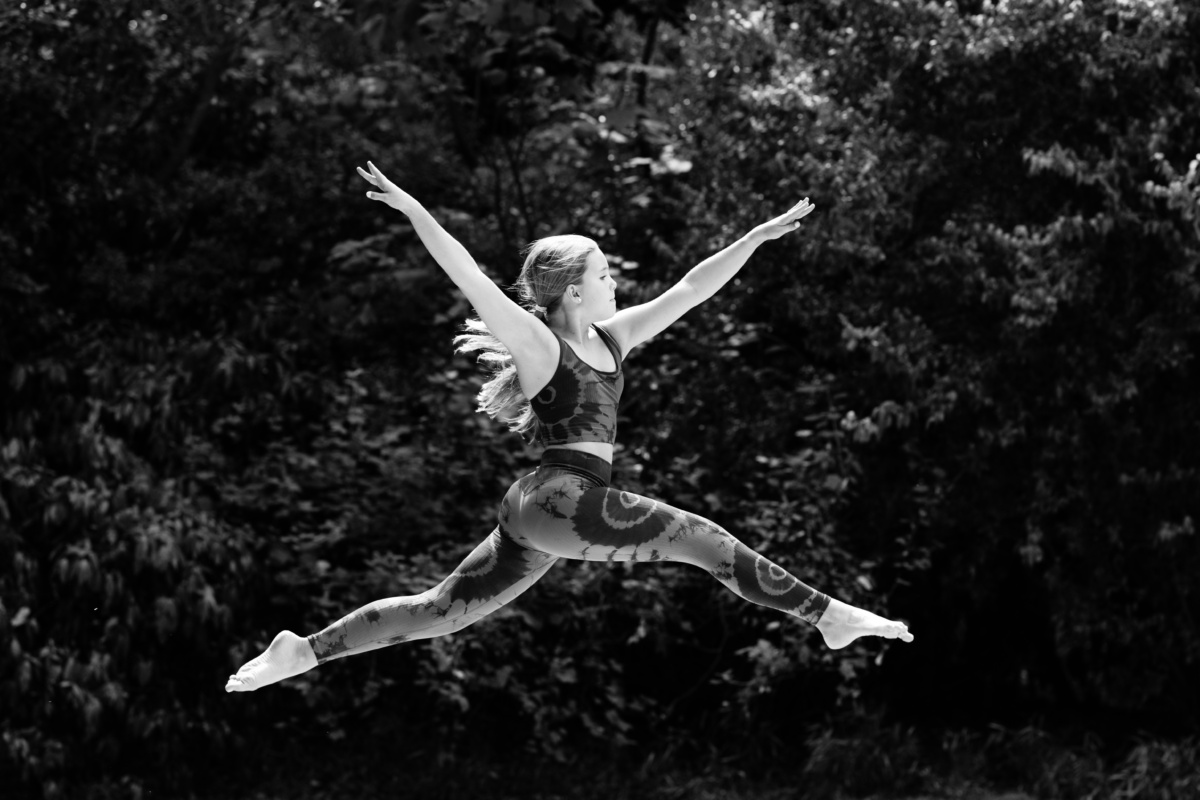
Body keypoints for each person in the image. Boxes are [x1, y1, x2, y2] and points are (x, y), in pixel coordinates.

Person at [225, 161, 913, 693]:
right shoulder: (538, 344)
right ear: (574, 291)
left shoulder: (612, 338)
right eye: (606, 273)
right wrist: (415, 212)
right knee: (701, 540)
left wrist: (756, 239)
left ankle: (304, 651)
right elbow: (469, 277)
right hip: (561, 498)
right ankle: (828, 615)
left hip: (550, 506)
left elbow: (691, 288)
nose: (617, 282)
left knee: (444, 611)